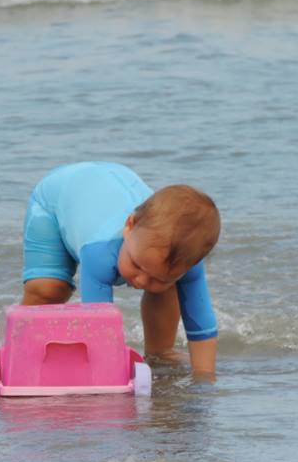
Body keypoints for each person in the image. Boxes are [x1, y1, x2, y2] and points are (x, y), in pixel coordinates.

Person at [20, 161, 220, 376]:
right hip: (56, 198)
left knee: (167, 287)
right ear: (129, 227)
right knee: (50, 289)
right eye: (136, 265)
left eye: (158, 277)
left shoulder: (185, 262)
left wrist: (205, 377)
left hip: (113, 184)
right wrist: (109, 378)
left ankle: (159, 353)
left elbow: (202, 326)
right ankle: (21, 347)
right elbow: (97, 327)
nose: (142, 281)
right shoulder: (99, 254)